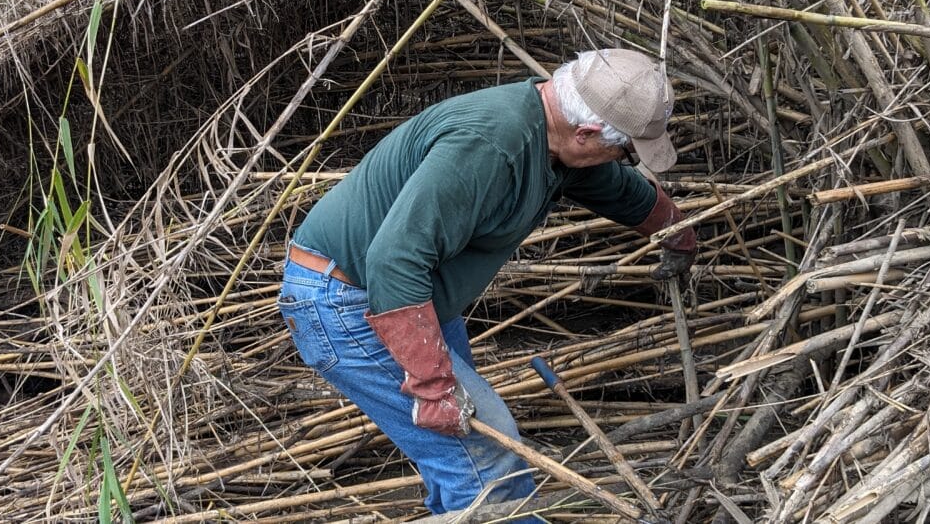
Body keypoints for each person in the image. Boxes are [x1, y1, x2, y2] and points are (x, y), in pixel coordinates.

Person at [277, 48, 696, 519]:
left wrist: (676, 232)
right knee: (481, 457)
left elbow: (616, 188)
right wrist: (433, 385)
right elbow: (393, 261)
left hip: (414, 298)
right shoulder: (491, 146)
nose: (621, 162)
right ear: (587, 134)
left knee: (460, 456)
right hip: (355, 300)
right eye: (623, 151)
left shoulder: (552, 134)